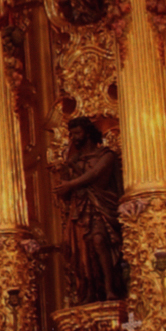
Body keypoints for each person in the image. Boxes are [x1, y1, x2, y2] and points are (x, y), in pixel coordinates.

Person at [54, 118, 126, 303]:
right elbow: (64, 193)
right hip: (79, 208)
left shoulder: (106, 155)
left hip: (100, 205)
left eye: (78, 133)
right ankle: (90, 290)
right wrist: (64, 180)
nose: (74, 138)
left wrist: (71, 184)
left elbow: (95, 174)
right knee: (82, 250)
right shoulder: (73, 161)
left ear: (88, 133)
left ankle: (110, 288)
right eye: (72, 134)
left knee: (99, 241)